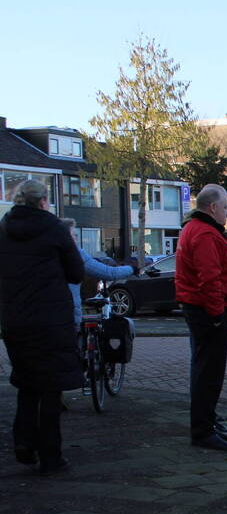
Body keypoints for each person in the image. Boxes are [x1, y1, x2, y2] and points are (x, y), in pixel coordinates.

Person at [0, 180, 84, 474]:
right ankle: (51, 455)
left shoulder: (4, 228)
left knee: (26, 381)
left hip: (15, 319)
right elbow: (76, 272)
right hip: (50, 320)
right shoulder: (54, 228)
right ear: (43, 202)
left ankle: (23, 441)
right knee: (50, 387)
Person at [175, 184, 227, 450]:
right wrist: (216, 314)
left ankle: (207, 423)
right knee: (209, 373)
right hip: (207, 312)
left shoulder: (196, 230)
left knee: (204, 370)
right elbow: (209, 279)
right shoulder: (205, 235)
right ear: (212, 207)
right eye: (225, 206)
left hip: (201, 309)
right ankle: (202, 431)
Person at [60, 218, 136, 328]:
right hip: (68, 315)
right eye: (74, 235)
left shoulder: (47, 253)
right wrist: (133, 269)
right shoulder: (76, 254)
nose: (77, 238)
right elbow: (109, 273)